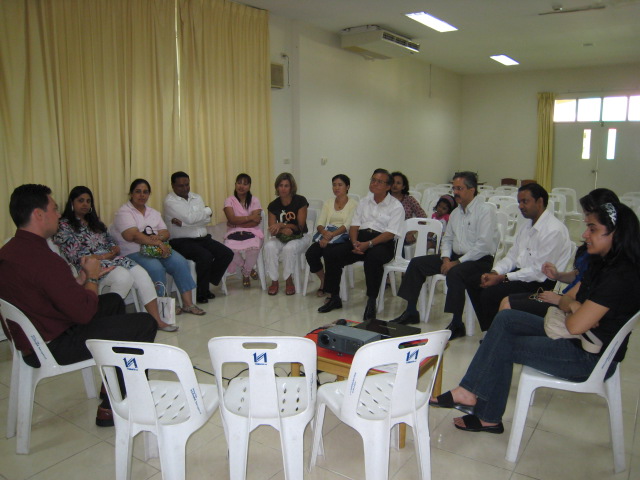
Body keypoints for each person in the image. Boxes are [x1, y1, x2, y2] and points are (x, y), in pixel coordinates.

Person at [429, 201, 640, 434]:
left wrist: (571, 306)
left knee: (500, 343)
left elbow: (573, 322)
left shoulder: (621, 277)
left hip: (587, 356)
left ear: (616, 234)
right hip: (577, 337)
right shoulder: (604, 264)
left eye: (592, 229)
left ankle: (479, 404)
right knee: (505, 320)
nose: (584, 234)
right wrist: (574, 305)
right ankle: (476, 402)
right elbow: (569, 299)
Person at [0, 184, 157, 427]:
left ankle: (111, 389)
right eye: (53, 208)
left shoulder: (10, 251)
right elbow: (84, 313)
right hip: (54, 345)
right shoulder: (43, 259)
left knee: (114, 301)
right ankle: (117, 407)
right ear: (38, 214)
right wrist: (93, 279)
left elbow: (48, 293)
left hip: (37, 336)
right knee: (144, 323)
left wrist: (82, 279)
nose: (58, 214)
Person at [390, 171, 499, 339]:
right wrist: (446, 258)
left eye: (460, 188)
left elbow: (483, 245)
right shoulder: (456, 213)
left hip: (479, 260)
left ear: (472, 190)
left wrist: (456, 263)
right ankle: (411, 310)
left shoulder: (485, 211)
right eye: (454, 188)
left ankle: (457, 323)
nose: (455, 192)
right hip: (455, 256)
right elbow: (447, 239)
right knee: (417, 263)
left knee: (455, 273)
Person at [53, 186, 178, 332]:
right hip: (89, 267)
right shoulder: (64, 225)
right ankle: (110, 323)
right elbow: (77, 255)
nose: (85, 204)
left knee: (142, 275)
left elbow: (111, 241)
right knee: (123, 277)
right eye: (80, 201)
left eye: (88, 201)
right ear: (71, 203)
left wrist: (112, 251)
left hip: (115, 259)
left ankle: (157, 320)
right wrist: (106, 255)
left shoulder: (95, 223)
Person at [504, 188, 620, 317]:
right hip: (567, 299)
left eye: (591, 223)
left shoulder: (613, 264)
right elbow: (580, 275)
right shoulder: (595, 251)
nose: (585, 232)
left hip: (572, 307)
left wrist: (559, 300)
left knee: (508, 305)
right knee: (506, 304)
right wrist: (558, 275)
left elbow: (585, 307)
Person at [473, 183, 572, 331]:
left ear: (539, 202)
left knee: (491, 293)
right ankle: (492, 330)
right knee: (477, 284)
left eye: (525, 201)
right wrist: (495, 272)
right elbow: (512, 256)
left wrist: (503, 278)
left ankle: (496, 332)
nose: (520, 206)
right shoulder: (526, 226)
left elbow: (538, 272)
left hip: (540, 284)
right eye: (519, 202)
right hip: (522, 276)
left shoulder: (553, 230)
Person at [318, 169, 404, 319]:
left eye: (379, 181)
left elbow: (390, 233)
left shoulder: (396, 206)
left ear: (388, 186)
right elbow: (354, 226)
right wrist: (354, 243)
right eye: (373, 180)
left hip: (382, 242)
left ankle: (372, 301)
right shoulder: (364, 202)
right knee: (331, 252)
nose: (374, 184)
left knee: (373, 259)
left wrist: (369, 244)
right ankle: (334, 296)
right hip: (360, 239)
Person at [112, 179, 205, 315]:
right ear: (131, 194)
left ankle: (188, 304)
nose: (142, 195)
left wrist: (159, 238)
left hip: (157, 249)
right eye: (138, 192)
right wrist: (157, 242)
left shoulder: (153, 212)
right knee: (156, 267)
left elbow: (165, 232)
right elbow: (132, 235)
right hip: (134, 251)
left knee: (180, 262)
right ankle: (161, 307)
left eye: (145, 192)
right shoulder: (124, 212)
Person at [163, 171, 233, 303]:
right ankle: (201, 292)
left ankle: (205, 284)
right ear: (173, 186)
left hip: (202, 238)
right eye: (180, 186)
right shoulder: (170, 202)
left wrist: (185, 223)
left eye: (187, 185)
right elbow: (192, 218)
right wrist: (207, 211)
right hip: (181, 241)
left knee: (226, 253)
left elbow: (204, 221)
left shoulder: (197, 197)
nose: (185, 188)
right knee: (205, 256)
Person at [305, 174, 358, 297]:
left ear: (347, 187)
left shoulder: (353, 204)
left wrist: (330, 236)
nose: (336, 188)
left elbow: (347, 225)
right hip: (327, 234)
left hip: (343, 236)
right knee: (311, 254)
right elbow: (320, 223)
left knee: (330, 254)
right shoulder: (328, 202)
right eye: (334, 185)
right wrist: (324, 234)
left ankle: (330, 290)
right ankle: (323, 280)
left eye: (340, 185)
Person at [265, 172, 310, 295]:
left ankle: (289, 280)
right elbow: (272, 229)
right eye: (280, 185)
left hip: (301, 236)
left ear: (291, 187)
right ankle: (274, 281)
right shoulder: (273, 205)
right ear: (277, 187)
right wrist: (282, 229)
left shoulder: (300, 201)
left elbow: (300, 227)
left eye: (286, 186)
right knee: (269, 246)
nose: (283, 189)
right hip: (281, 236)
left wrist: (283, 225)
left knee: (289, 248)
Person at [223, 173, 263, 287]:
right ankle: (247, 268)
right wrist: (249, 218)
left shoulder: (254, 200)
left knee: (254, 249)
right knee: (228, 250)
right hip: (233, 232)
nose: (241, 186)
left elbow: (256, 221)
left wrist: (236, 223)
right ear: (235, 184)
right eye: (239, 183)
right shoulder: (229, 200)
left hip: (253, 231)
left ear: (249, 186)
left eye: (245, 184)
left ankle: (246, 273)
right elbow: (231, 219)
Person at [390, 171, 427, 245]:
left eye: (398, 183)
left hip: (404, 233)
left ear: (403, 186)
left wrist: (411, 232)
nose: (395, 185)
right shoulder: (384, 199)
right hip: (386, 232)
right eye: (392, 182)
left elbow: (423, 218)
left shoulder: (409, 200)